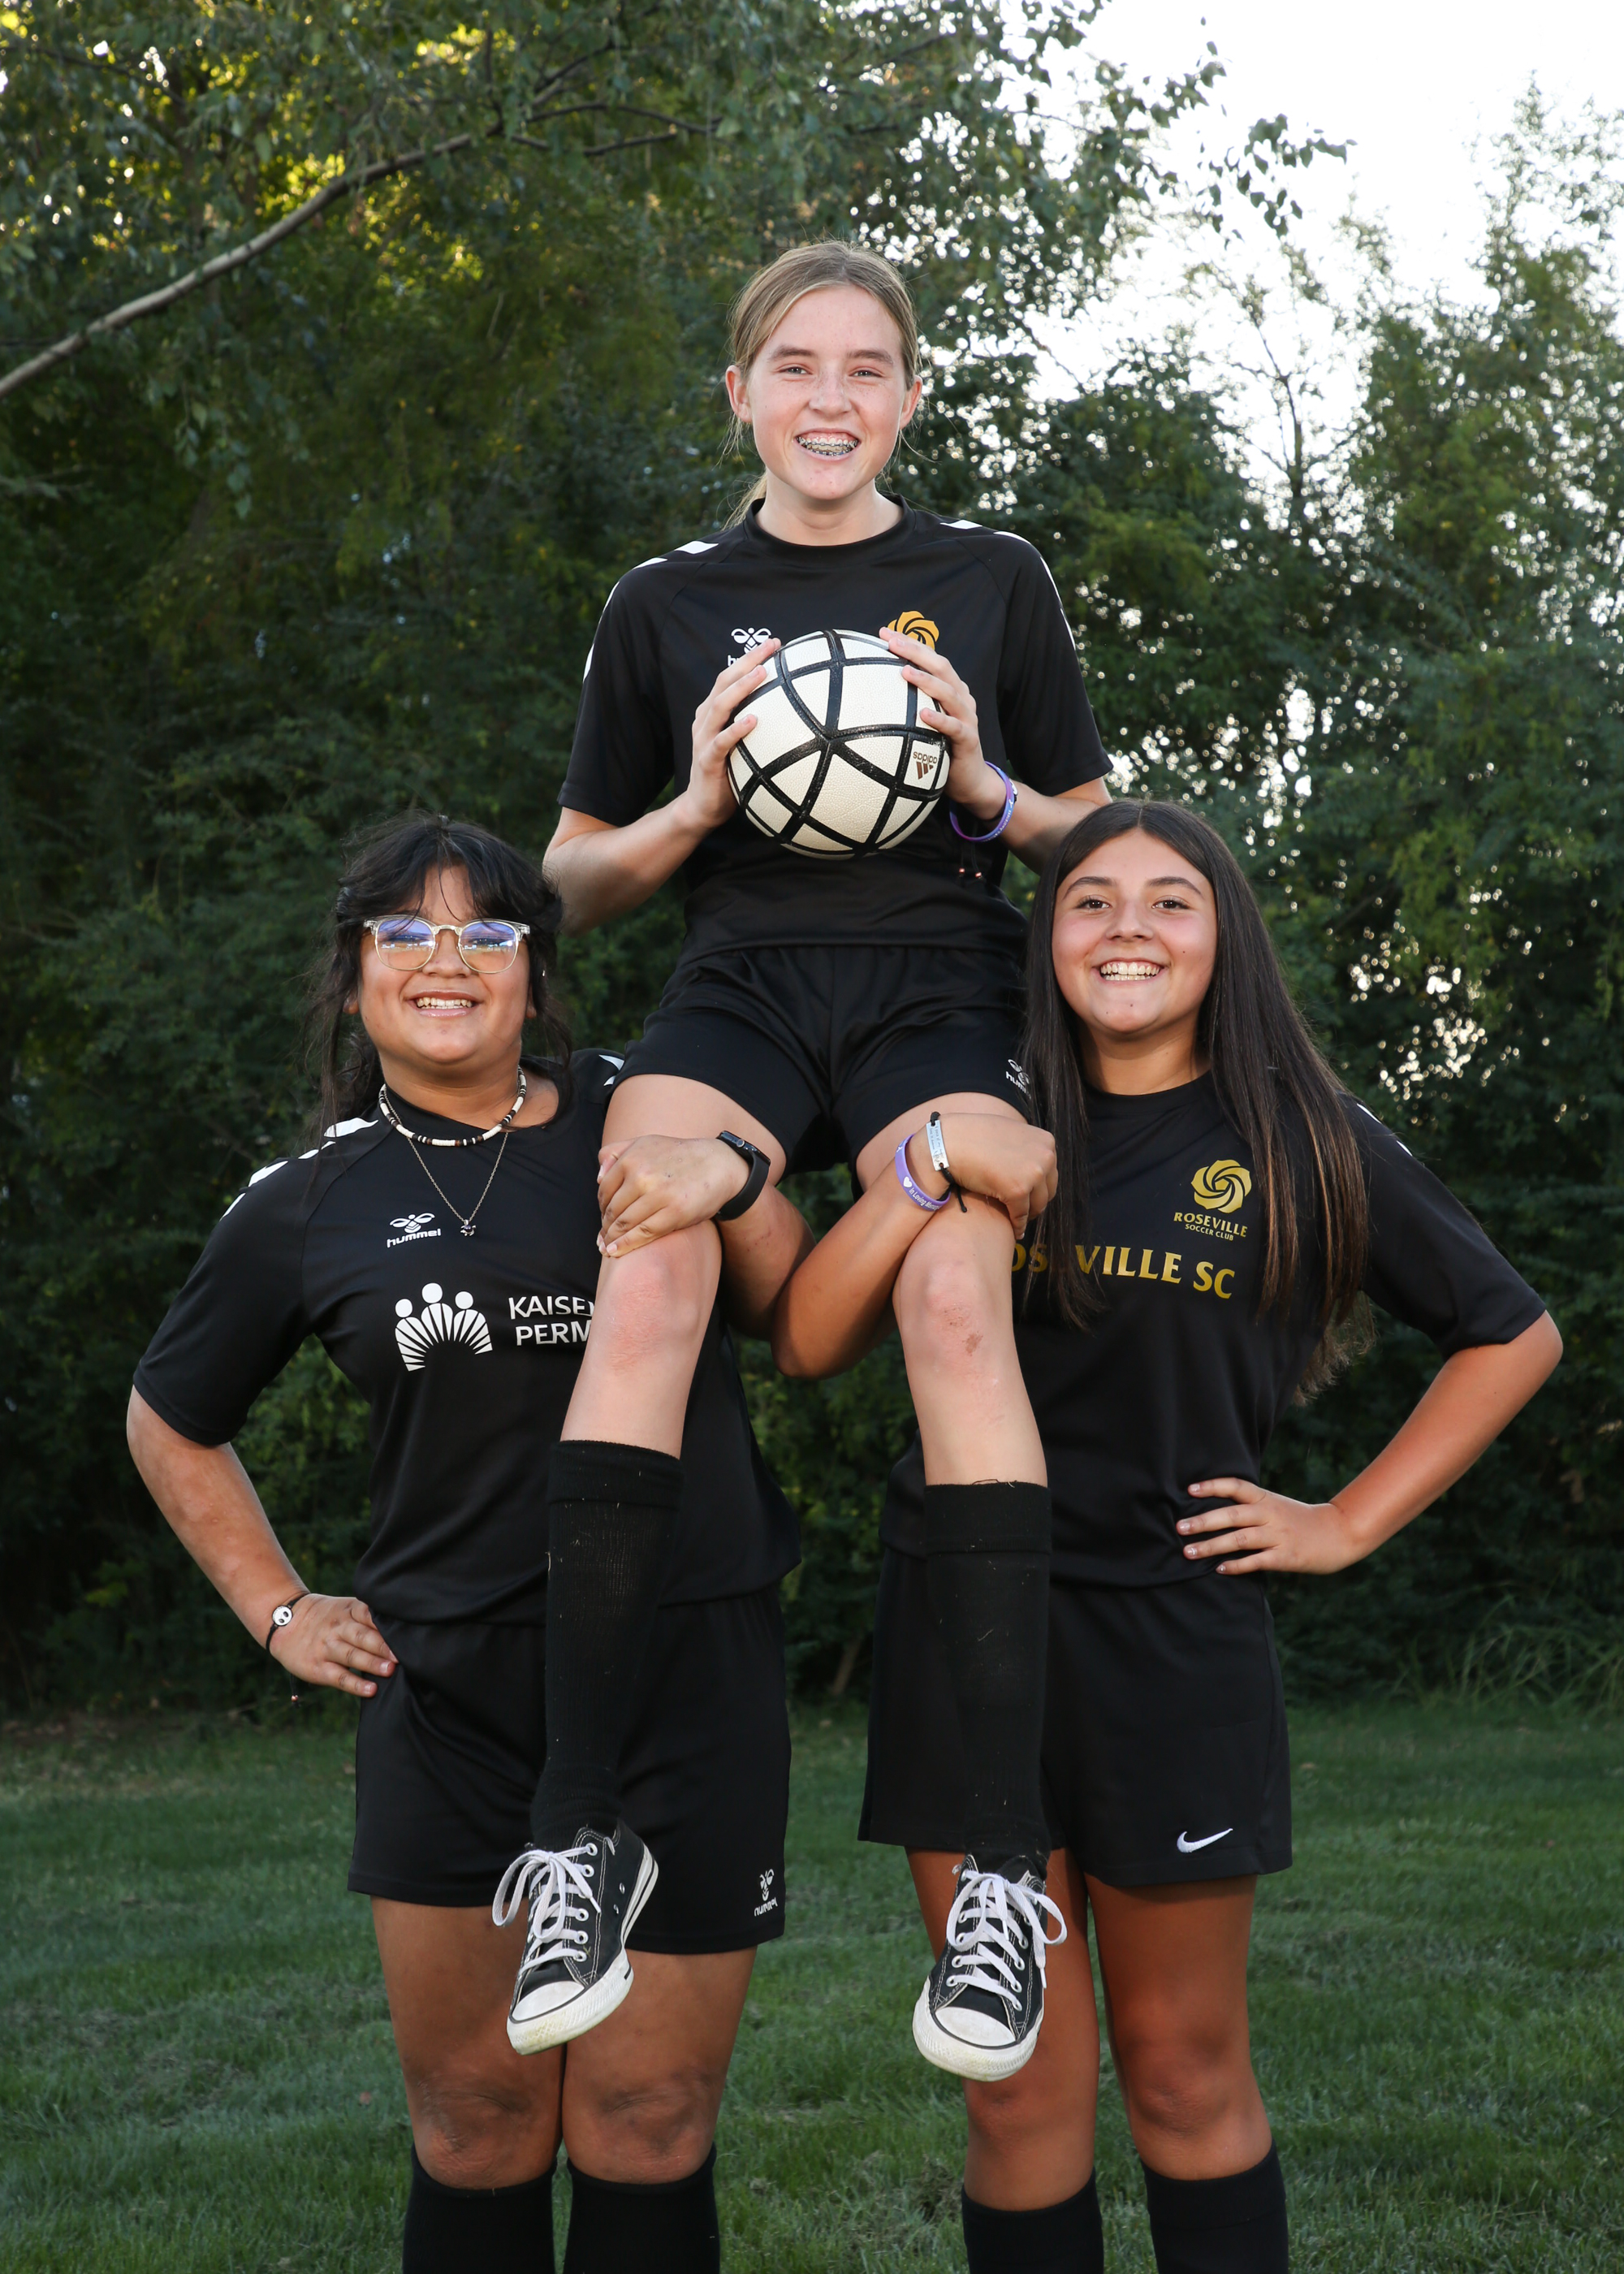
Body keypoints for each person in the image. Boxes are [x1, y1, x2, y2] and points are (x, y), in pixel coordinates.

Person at [764, 798, 1562, 2272]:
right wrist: (928, 1155)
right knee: (1015, 2093)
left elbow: (1511, 1332)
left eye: (1169, 900)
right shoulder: (982, 1113)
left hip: (1172, 1635)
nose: (1127, 926)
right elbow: (808, 1337)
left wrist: (1345, 1521)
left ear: (1223, 938)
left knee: (1185, 2075)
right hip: (963, 1631)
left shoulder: (1300, 1135)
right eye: (1090, 900)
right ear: (1046, 941)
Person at [535, 236, 1112, 2076]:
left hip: (946, 985)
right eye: (795, 365)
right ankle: (577, 1832)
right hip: (740, 986)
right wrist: (695, 802)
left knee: (954, 1299)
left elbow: (1104, 847)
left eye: (867, 367)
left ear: (912, 397)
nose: (831, 397)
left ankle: (1003, 1868)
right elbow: (569, 881)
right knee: (646, 1266)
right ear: (741, 394)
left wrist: (986, 788)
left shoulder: (991, 580)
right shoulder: (665, 602)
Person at [126, 815, 811, 2274]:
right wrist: (278, 1608)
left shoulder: (637, 1106)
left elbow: (794, 1305)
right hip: (456, 1693)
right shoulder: (308, 1201)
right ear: (353, 972)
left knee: (650, 2120)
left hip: (686, 1669)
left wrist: (732, 1171)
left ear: (535, 971)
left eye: (487, 930)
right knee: (476, 2124)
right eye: (406, 931)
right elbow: (169, 1420)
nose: (448, 958)